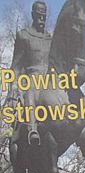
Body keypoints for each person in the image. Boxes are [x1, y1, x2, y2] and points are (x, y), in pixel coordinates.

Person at [9, 1, 51, 146]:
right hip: (32, 80)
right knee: (31, 91)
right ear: (33, 15)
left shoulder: (50, 40)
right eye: (39, 16)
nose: (42, 19)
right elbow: (15, 68)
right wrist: (13, 92)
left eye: (44, 16)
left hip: (50, 83)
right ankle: (32, 129)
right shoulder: (24, 36)